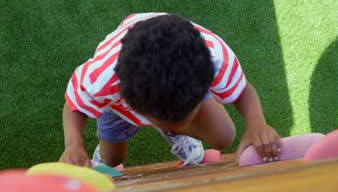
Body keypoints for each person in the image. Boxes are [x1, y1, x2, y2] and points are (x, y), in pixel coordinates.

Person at [59, 12, 282, 168]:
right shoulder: (102, 81)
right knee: (112, 159)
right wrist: (74, 145)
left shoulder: (212, 58)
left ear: (204, 83)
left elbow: (243, 91)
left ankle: (172, 129)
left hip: (173, 74)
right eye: (168, 125)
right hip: (117, 109)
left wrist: (256, 124)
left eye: (181, 122)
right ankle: (110, 154)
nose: (182, 123)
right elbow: (73, 106)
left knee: (224, 136)